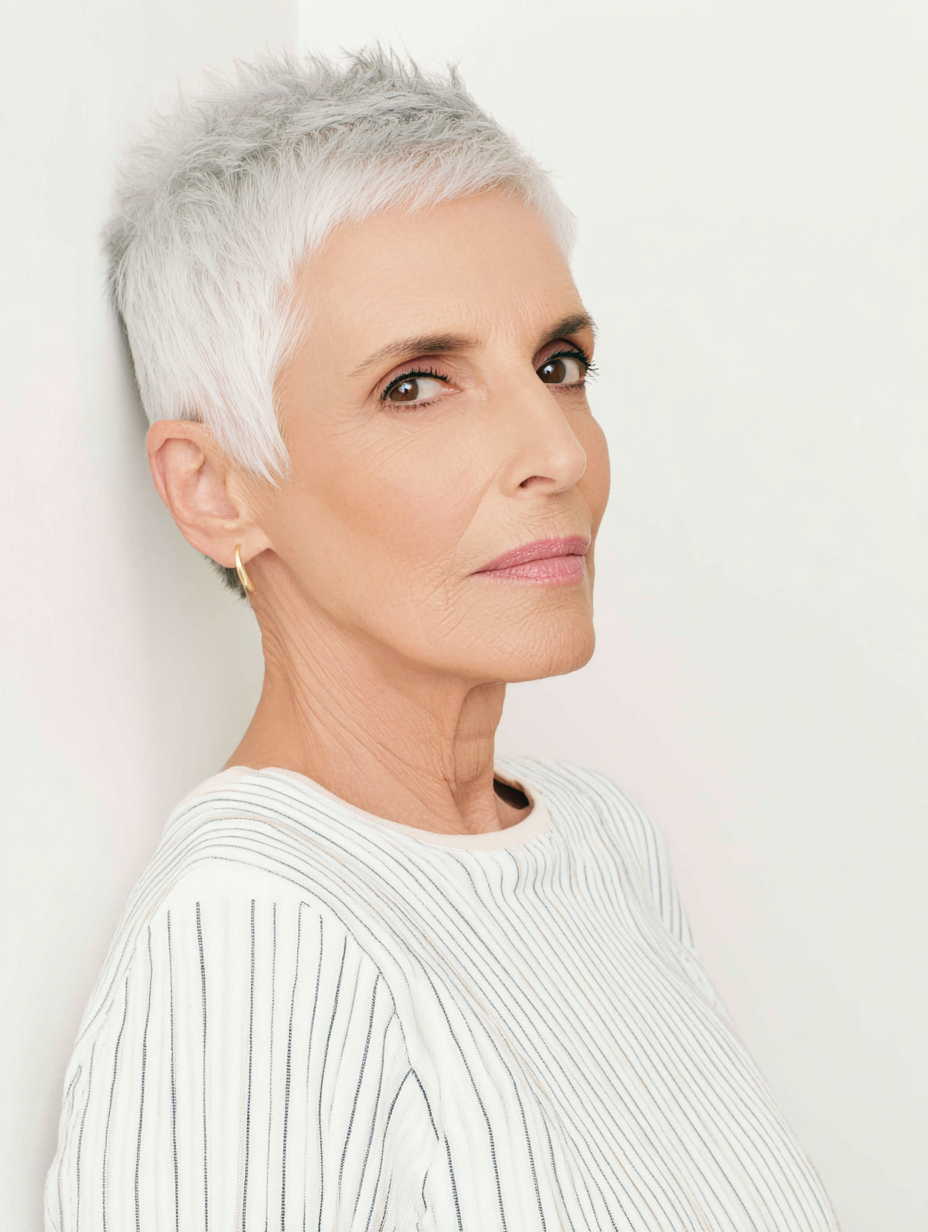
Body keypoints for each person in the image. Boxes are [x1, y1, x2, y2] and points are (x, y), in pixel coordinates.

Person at [45, 49, 839, 1231]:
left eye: (558, 365)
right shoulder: (253, 936)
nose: (558, 453)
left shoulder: (601, 842)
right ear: (215, 490)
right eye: (416, 385)